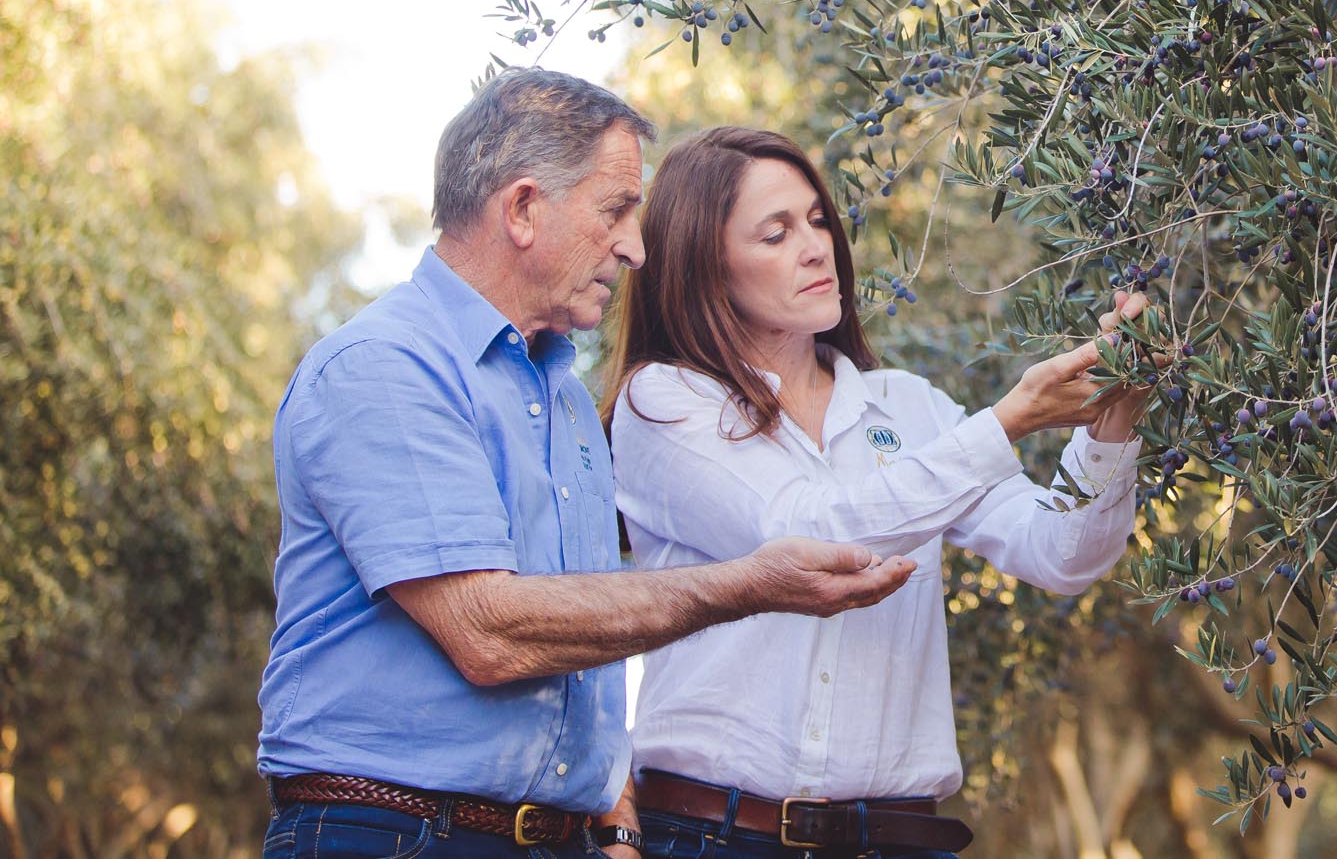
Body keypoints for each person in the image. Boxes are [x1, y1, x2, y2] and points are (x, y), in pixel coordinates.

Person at [258, 71, 915, 859]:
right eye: (615, 211)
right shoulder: (385, 367)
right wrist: (748, 583)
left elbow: (580, 645)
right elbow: (488, 633)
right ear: (524, 209)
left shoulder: (564, 399)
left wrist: (616, 821)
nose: (635, 247)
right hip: (395, 831)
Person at [603, 126, 1154, 858]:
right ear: (705, 267)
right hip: (715, 837)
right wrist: (1007, 421)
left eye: (819, 220)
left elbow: (1058, 552)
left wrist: (1115, 417)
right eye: (775, 233)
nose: (815, 246)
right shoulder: (664, 403)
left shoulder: (910, 407)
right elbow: (805, 533)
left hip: (899, 839)